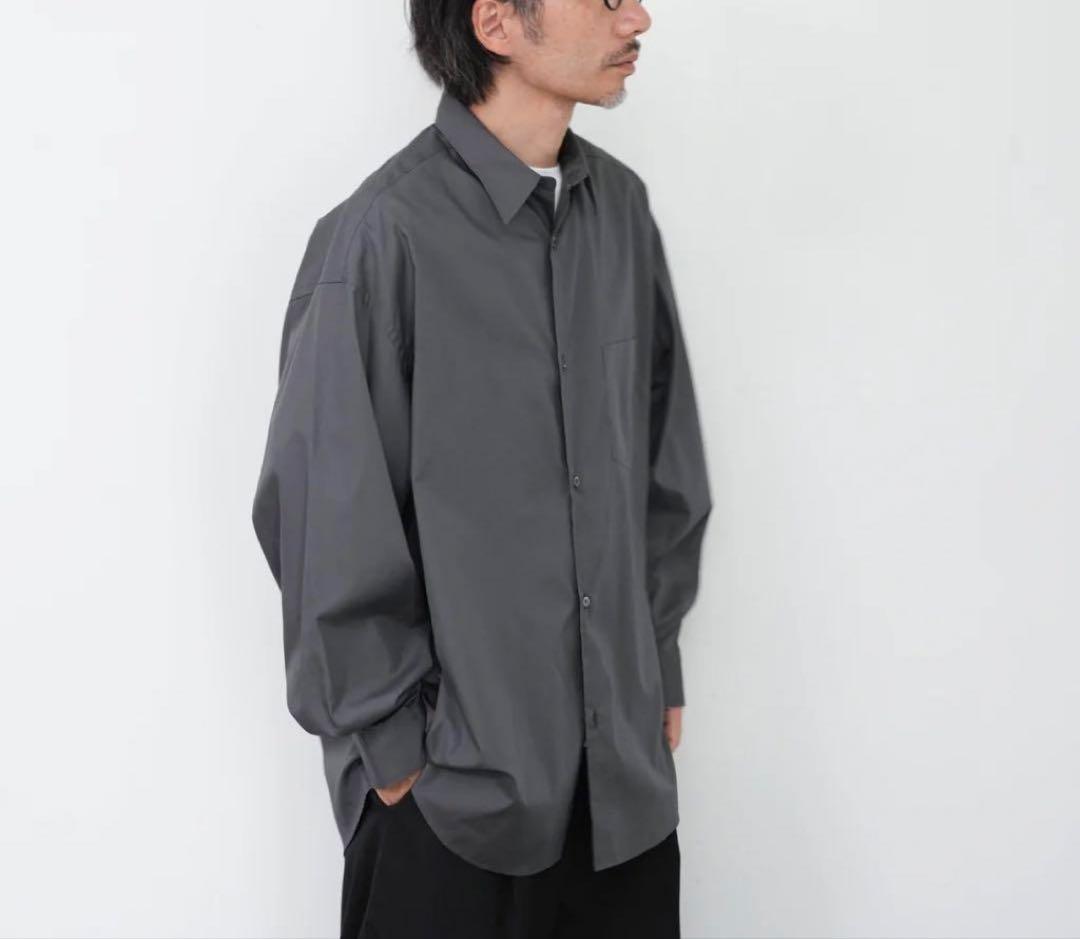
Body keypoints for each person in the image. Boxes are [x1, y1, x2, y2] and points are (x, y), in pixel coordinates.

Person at [250, 0, 712, 935]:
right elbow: (322, 523)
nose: (637, 17)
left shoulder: (621, 213)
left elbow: (664, 462)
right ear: (496, 23)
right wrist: (396, 753)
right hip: (451, 814)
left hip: (620, 801)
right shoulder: (381, 235)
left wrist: (653, 663)